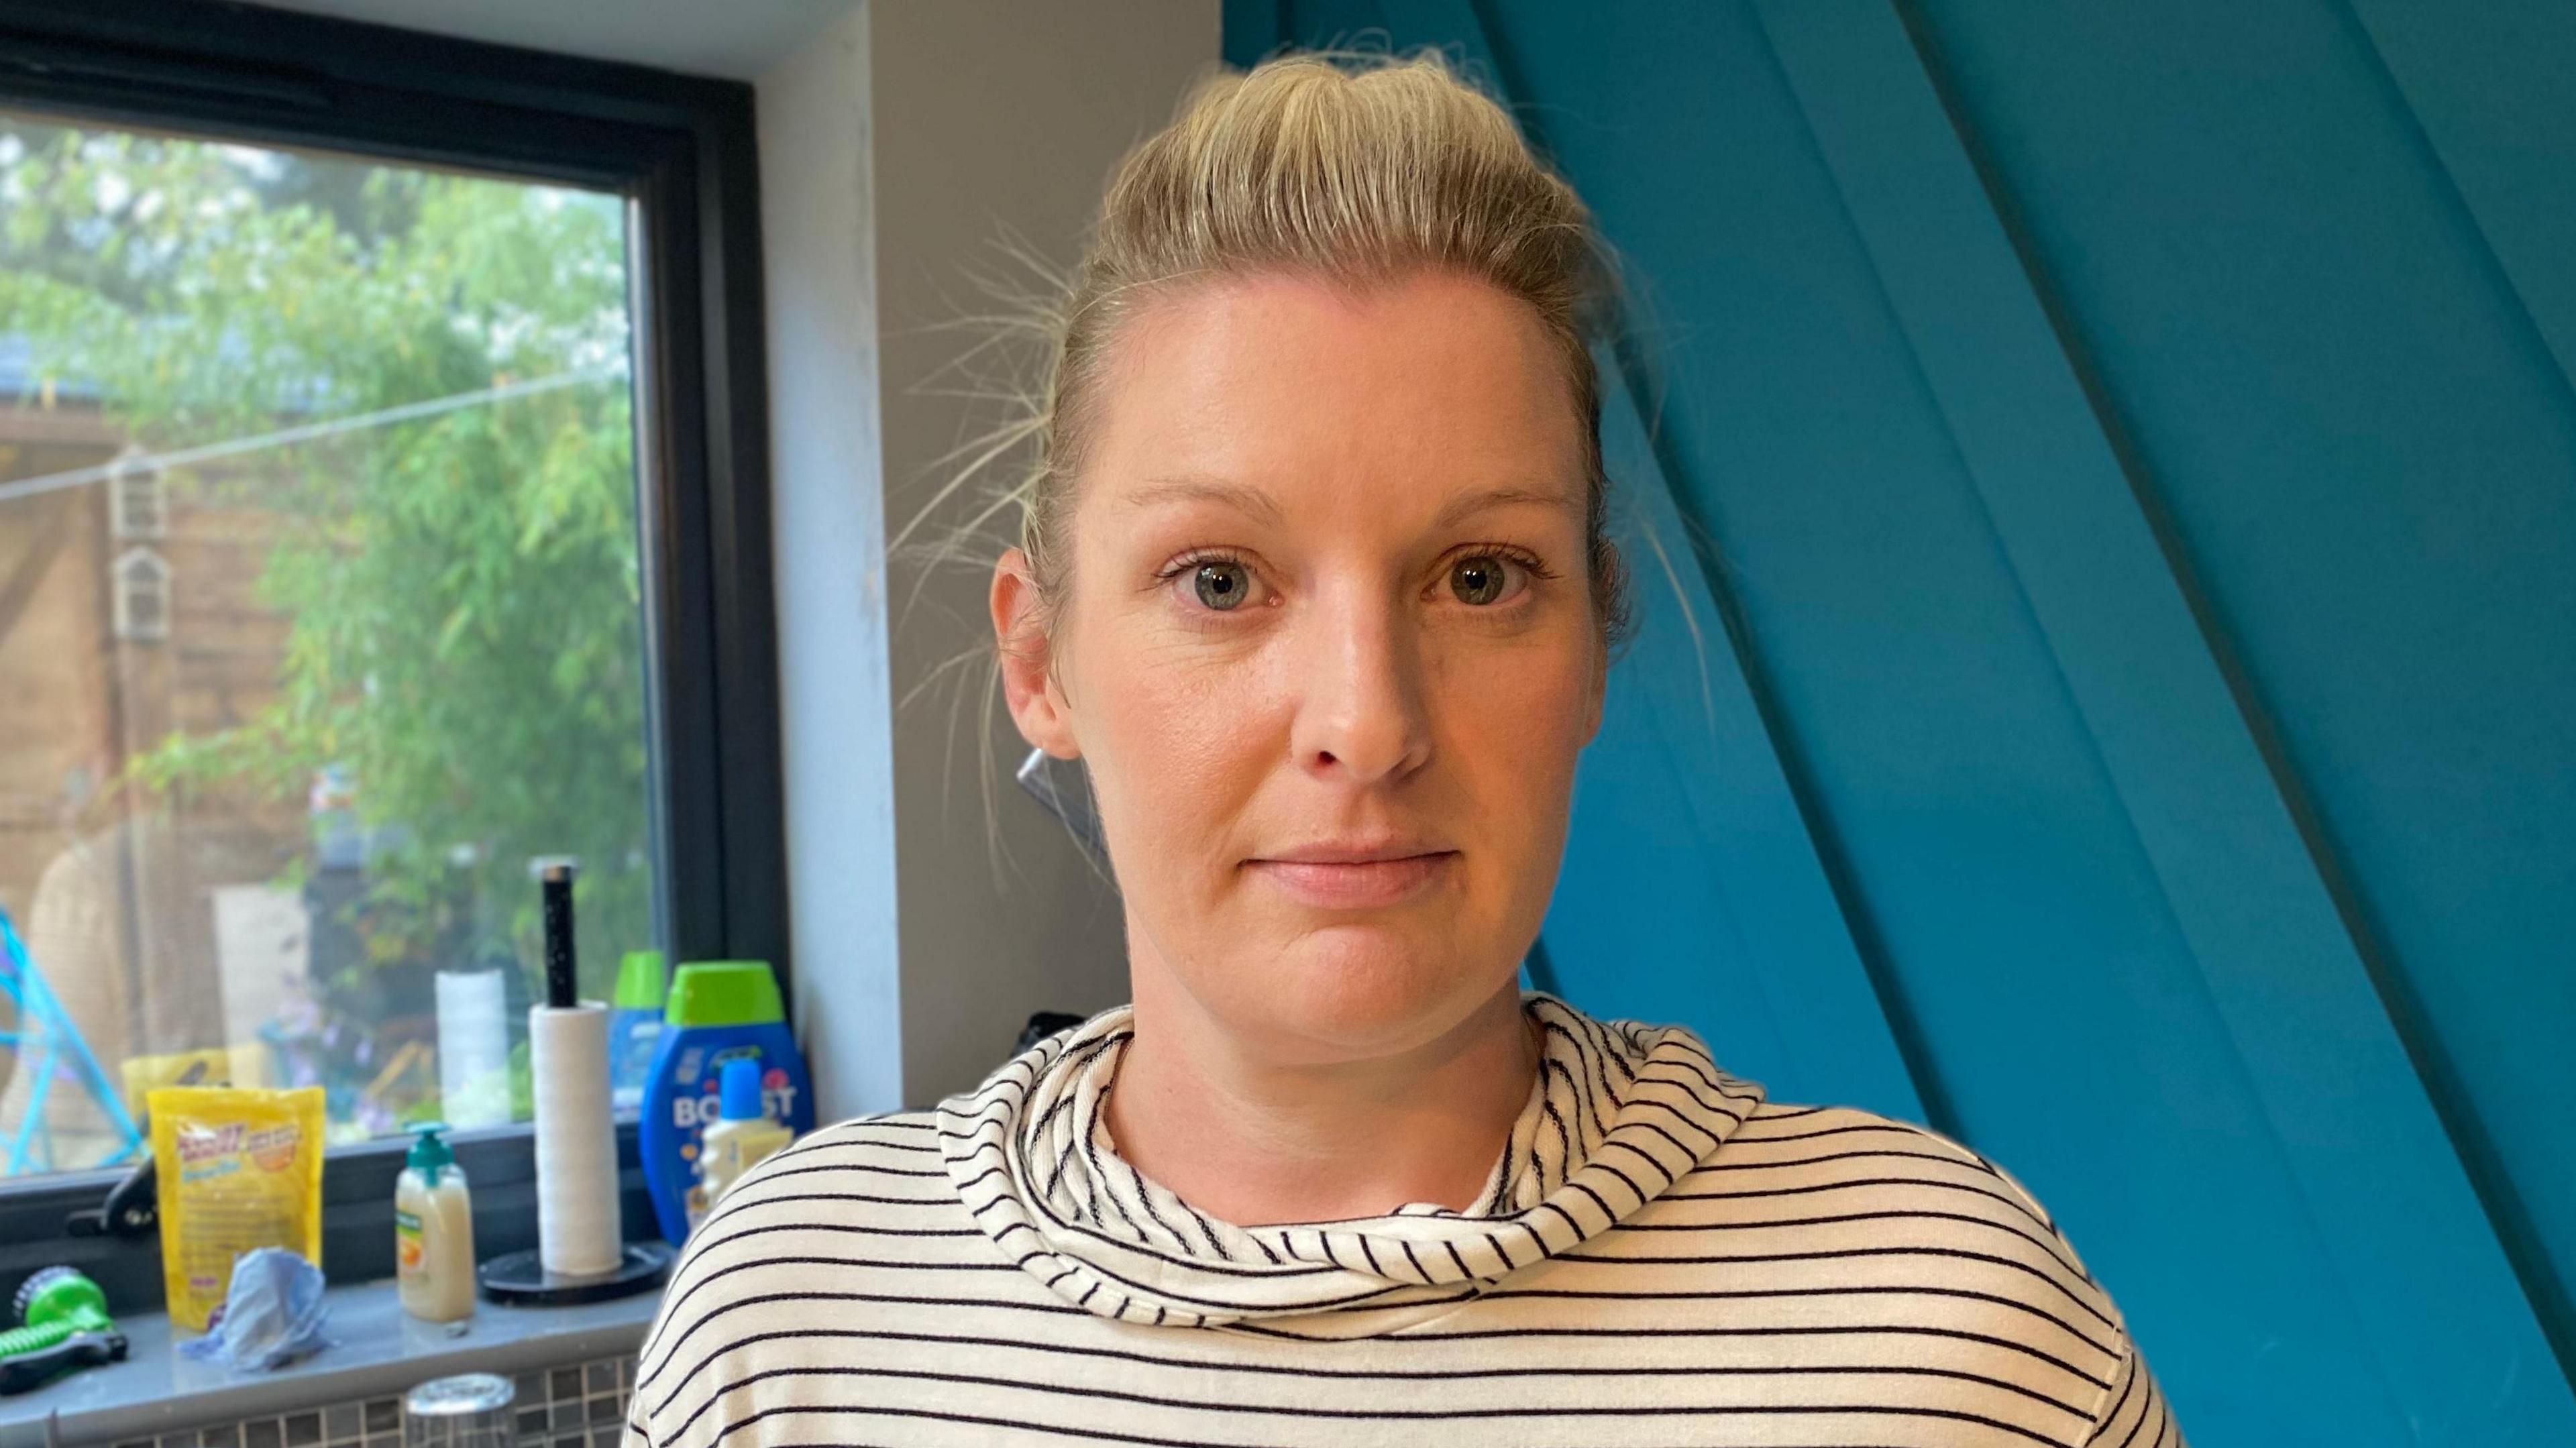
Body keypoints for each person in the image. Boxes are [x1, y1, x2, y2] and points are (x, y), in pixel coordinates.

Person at [625, 50, 2184, 1448]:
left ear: (1592, 648)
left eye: (1483, 577)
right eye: (1221, 581)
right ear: (1044, 662)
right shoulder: (794, 1327)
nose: (1368, 723)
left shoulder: (1947, 1331)